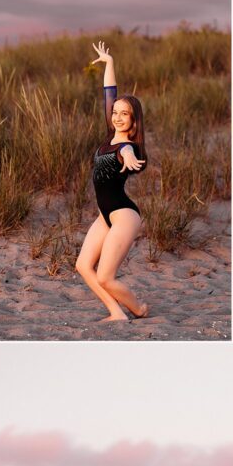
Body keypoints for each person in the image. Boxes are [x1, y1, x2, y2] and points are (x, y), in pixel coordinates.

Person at [75, 40, 149, 321]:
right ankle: (115, 312)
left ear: (134, 120)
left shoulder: (126, 147)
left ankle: (138, 309)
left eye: (124, 114)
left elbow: (127, 151)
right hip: (104, 216)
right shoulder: (110, 136)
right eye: (115, 112)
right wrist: (110, 63)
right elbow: (110, 93)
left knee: (105, 276)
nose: (117, 117)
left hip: (124, 216)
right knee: (83, 265)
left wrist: (128, 151)